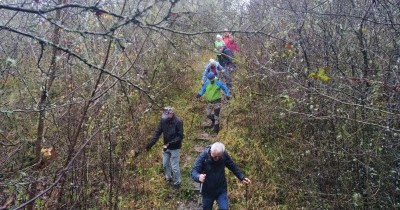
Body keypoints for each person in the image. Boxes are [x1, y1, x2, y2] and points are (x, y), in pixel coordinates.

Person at [191, 142, 251, 210]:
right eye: (214, 156)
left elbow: (232, 166)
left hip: (221, 190)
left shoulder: (224, 155)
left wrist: (242, 177)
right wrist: (198, 177)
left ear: (221, 154)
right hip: (207, 191)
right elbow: (194, 171)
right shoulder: (204, 156)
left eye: (218, 156)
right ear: (211, 151)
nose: (215, 158)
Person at [146, 106, 184, 190]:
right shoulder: (163, 121)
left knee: (174, 166)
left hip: (175, 147)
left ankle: (177, 182)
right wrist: (150, 144)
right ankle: (169, 178)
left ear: (172, 113)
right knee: (165, 164)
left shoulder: (178, 121)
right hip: (166, 147)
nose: (166, 117)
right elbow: (157, 133)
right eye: (165, 115)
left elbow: (180, 136)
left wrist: (169, 144)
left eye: (167, 115)